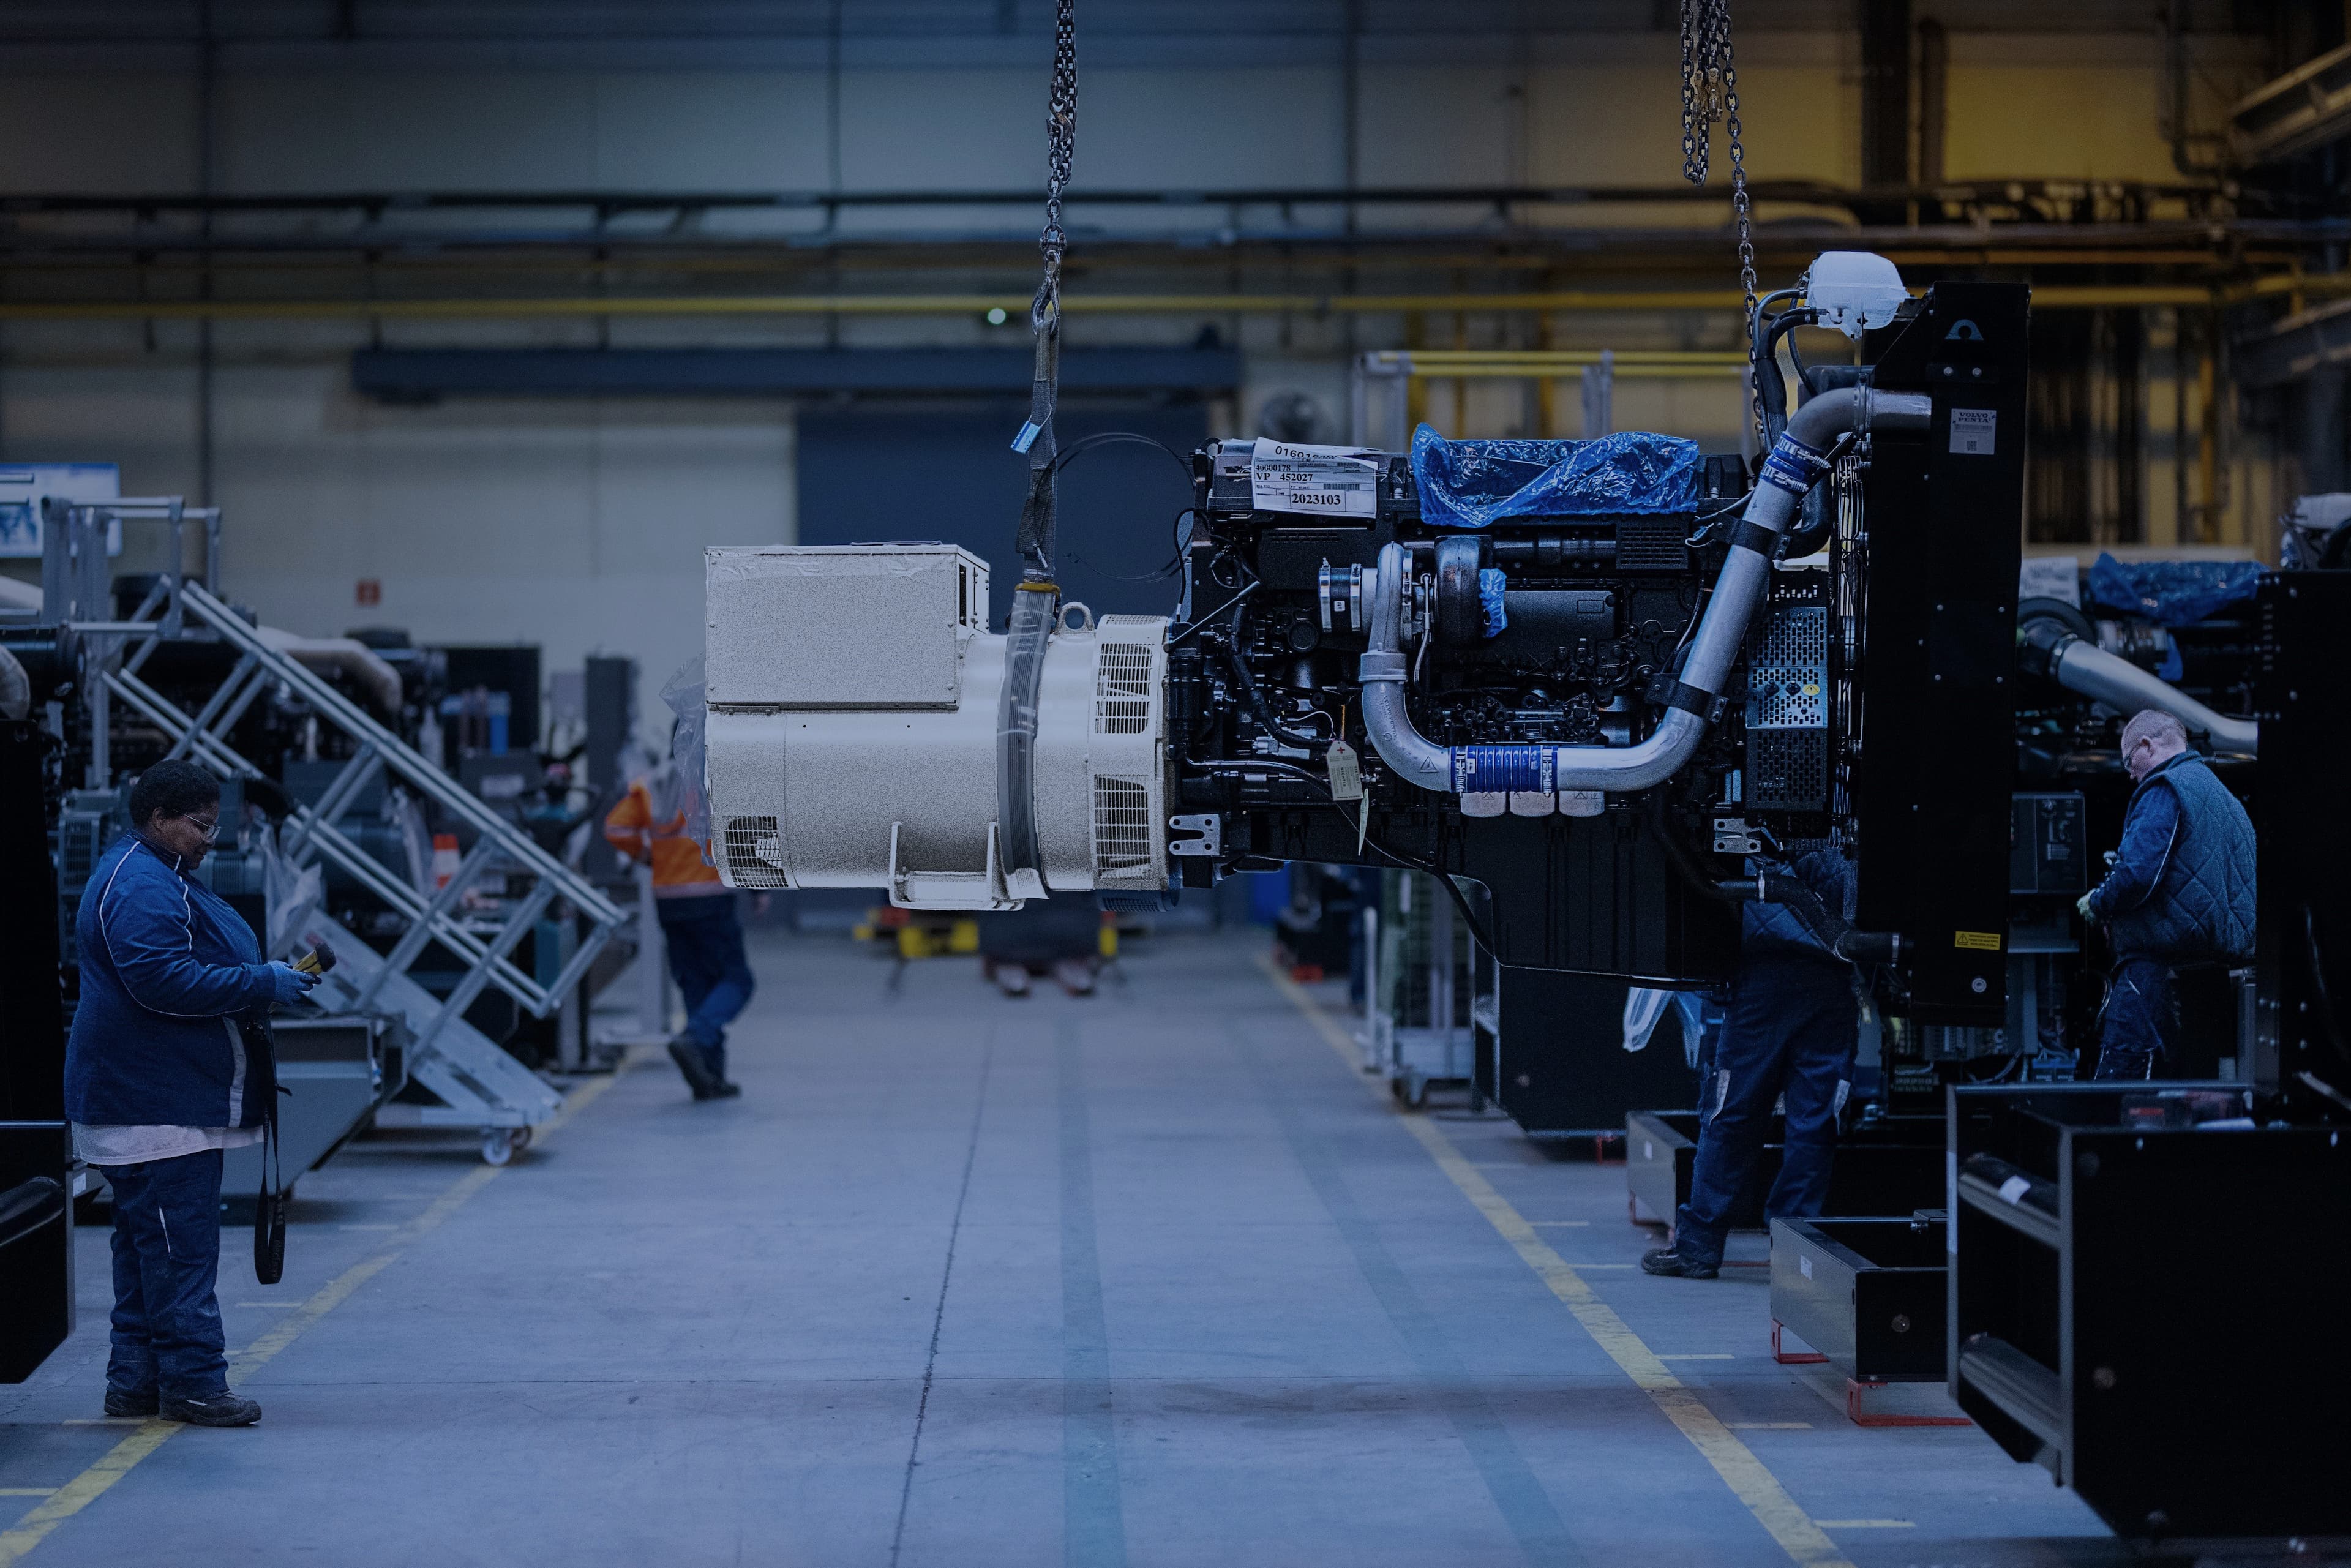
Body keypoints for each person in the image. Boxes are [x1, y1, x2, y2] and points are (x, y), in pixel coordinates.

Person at [61, 759, 320, 1427]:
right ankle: (195, 1384)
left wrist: (264, 977)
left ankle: (135, 1382)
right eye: (200, 826)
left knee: (146, 1249)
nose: (211, 839)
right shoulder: (141, 884)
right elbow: (163, 981)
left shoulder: (158, 872)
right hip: (154, 1105)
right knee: (180, 1251)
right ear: (158, 818)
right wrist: (262, 981)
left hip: (154, 1100)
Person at [1642, 849, 1861, 1280]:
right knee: (1815, 1122)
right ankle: (1794, 1253)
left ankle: (1698, 1246)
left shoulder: (1753, 835)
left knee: (1731, 1114)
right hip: (1832, 985)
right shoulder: (1843, 840)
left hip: (1764, 982)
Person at [2076, 708, 2256, 1080]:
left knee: (2122, 1087)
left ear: (2147, 746)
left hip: (2155, 971)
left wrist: (2098, 902)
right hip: (2209, 977)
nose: (2130, 774)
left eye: (2130, 762)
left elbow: (2136, 875)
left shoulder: (2165, 788)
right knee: (2191, 1093)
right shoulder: (2226, 799)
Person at [604, 756, 752, 1100]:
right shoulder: (719, 776)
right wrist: (759, 887)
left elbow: (616, 829)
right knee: (736, 980)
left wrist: (648, 857)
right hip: (710, 895)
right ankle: (696, 1038)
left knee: (696, 982)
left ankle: (710, 1077)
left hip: (669, 899)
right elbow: (744, 829)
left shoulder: (651, 783)